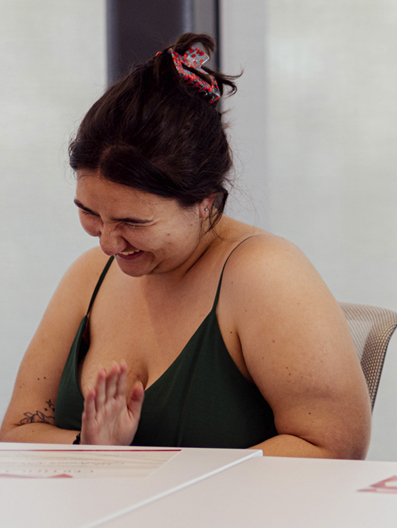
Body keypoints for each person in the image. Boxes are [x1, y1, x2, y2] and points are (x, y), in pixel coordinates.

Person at [0, 34, 371, 458]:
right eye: (90, 214)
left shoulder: (265, 275)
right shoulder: (89, 275)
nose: (106, 242)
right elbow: (17, 431)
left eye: (131, 222)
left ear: (204, 202)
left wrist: (143, 469)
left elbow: (334, 447)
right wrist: (91, 447)